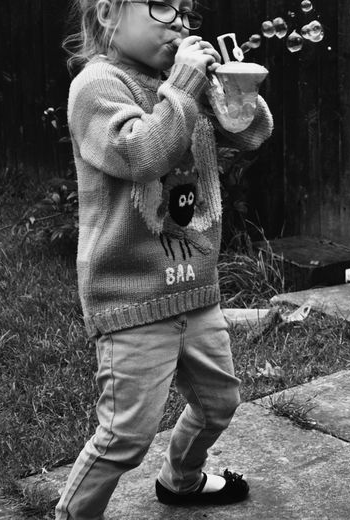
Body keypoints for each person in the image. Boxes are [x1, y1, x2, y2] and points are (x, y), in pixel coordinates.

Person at [56, 0, 272, 518]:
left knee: (220, 403)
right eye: (160, 6)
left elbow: (251, 134)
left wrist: (234, 92)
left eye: (185, 11)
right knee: (125, 435)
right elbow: (142, 155)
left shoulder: (181, 84)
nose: (178, 20)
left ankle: (182, 479)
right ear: (108, 14)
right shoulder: (97, 86)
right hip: (132, 298)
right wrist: (182, 87)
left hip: (194, 289)